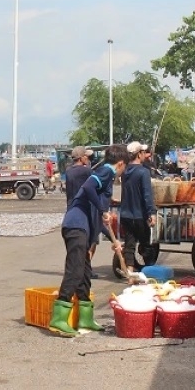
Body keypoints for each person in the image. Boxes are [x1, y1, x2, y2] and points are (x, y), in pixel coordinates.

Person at [50, 144, 128, 337]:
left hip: (83, 227)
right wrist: (103, 209)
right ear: (120, 164)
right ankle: (59, 318)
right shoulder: (106, 172)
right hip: (75, 226)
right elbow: (88, 187)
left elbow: (97, 216)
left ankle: (85, 317)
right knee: (75, 270)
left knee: (85, 273)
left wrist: (113, 238)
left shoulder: (104, 175)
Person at [118, 142, 157, 275]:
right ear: (139, 154)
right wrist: (152, 212)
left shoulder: (124, 171)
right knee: (146, 244)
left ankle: (129, 271)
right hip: (139, 215)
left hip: (125, 214)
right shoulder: (143, 172)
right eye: (142, 152)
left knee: (129, 244)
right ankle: (149, 271)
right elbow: (147, 195)